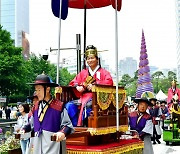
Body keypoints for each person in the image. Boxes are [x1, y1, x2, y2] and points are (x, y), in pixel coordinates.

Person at [65, 45, 113, 126]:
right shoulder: (83, 72)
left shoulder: (104, 72)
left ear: (97, 59)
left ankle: (86, 126)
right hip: (82, 97)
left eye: (92, 58)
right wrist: (78, 86)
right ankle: (75, 126)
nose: (90, 60)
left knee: (88, 105)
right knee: (69, 105)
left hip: (98, 99)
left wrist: (95, 85)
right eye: (88, 58)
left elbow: (109, 82)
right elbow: (73, 82)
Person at [26, 73, 74, 154]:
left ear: (47, 89)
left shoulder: (59, 106)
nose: (37, 93)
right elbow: (31, 124)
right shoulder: (36, 106)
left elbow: (67, 125)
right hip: (37, 144)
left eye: (39, 90)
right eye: (36, 90)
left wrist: (62, 133)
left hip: (53, 145)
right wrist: (24, 129)